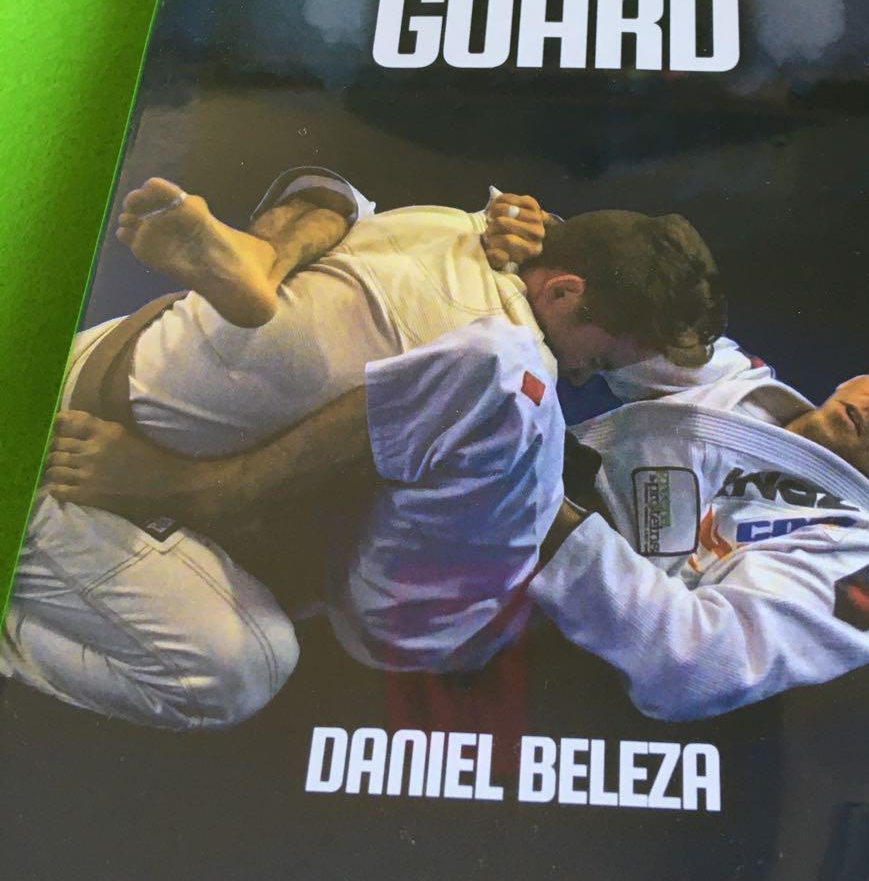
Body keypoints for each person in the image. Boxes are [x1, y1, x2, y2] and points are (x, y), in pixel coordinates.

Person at [0, 170, 724, 729]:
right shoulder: (506, 372)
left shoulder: (454, 226)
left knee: (341, 198)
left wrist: (544, 226)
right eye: (600, 358)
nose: (585, 375)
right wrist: (205, 492)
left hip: (93, 362)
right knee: (237, 672)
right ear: (563, 293)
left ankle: (265, 253)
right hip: (67, 472)